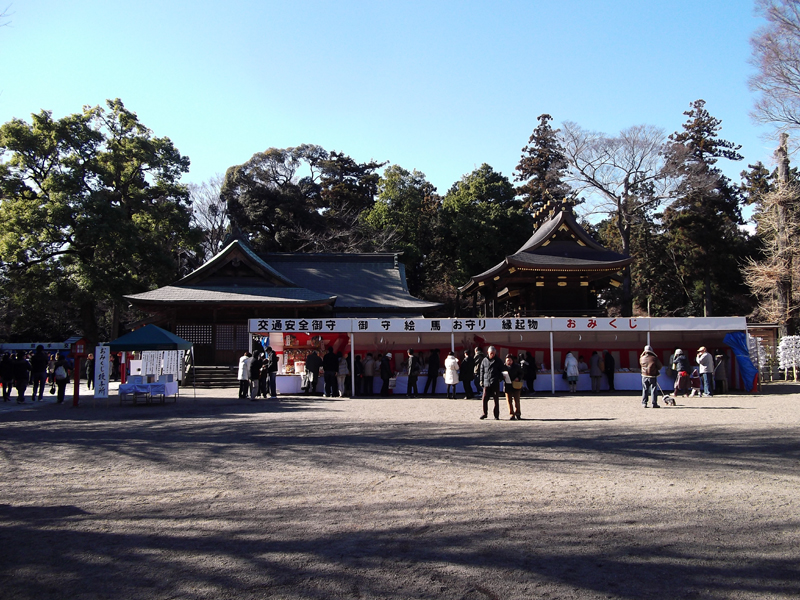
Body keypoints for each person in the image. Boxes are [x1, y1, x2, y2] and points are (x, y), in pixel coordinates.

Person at [479, 346, 503, 420]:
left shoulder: (498, 361)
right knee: (484, 399)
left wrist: (499, 379)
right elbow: (481, 371)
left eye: (494, 353)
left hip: (495, 383)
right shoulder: (484, 360)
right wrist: (481, 380)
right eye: (491, 353)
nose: (492, 355)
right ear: (488, 352)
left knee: (496, 399)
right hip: (486, 383)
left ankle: (496, 415)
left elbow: (502, 371)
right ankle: (484, 413)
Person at [503, 353, 523, 420]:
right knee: (509, 401)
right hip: (507, 385)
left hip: (515, 385)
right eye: (507, 360)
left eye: (510, 360)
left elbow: (522, 373)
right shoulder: (503, 367)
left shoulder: (517, 366)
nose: (508, 362)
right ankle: (511, 414)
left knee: (516, 400)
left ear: (512, 360)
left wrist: (518, 378)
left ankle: (518, 413)